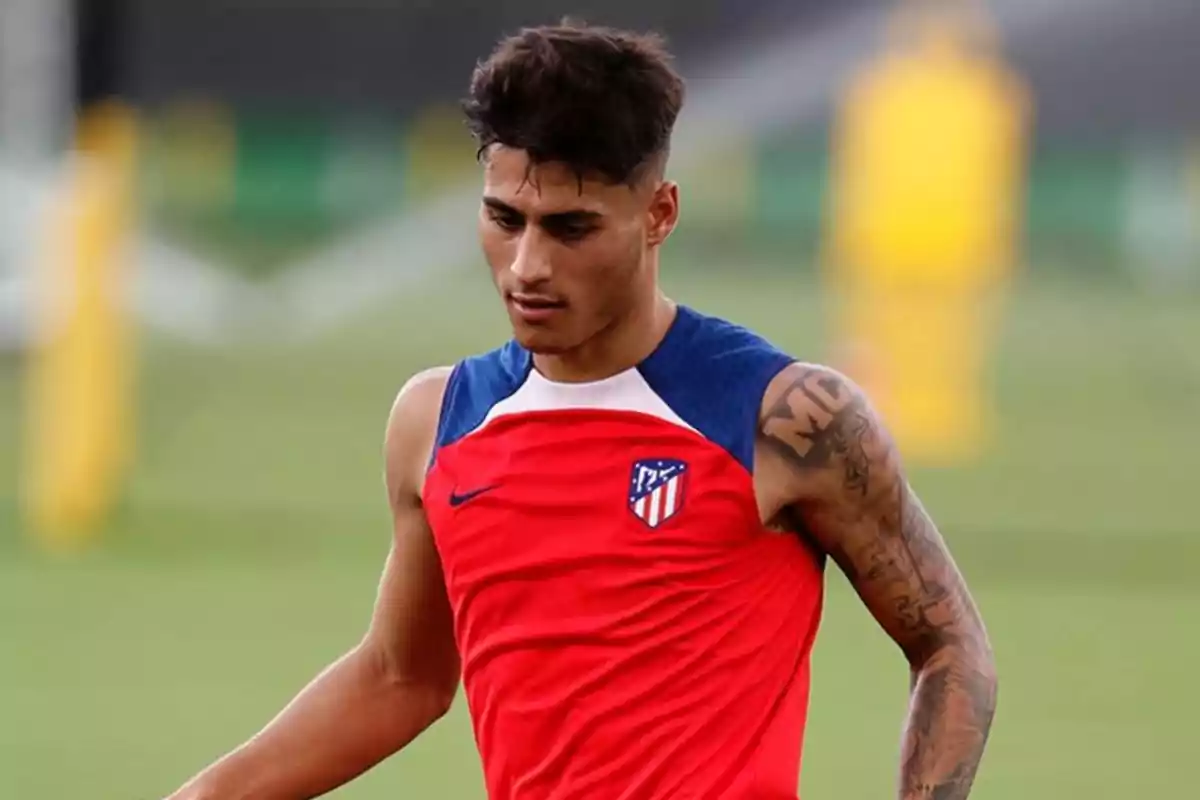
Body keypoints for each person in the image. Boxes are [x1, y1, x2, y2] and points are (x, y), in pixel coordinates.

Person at [167, 21, 996, 800]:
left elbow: (951, 648)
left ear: (660, 214)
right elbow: (401, 677)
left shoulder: (786, 419)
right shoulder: (436, 422)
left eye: (571, 228)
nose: (527, 265)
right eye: (504, 219)